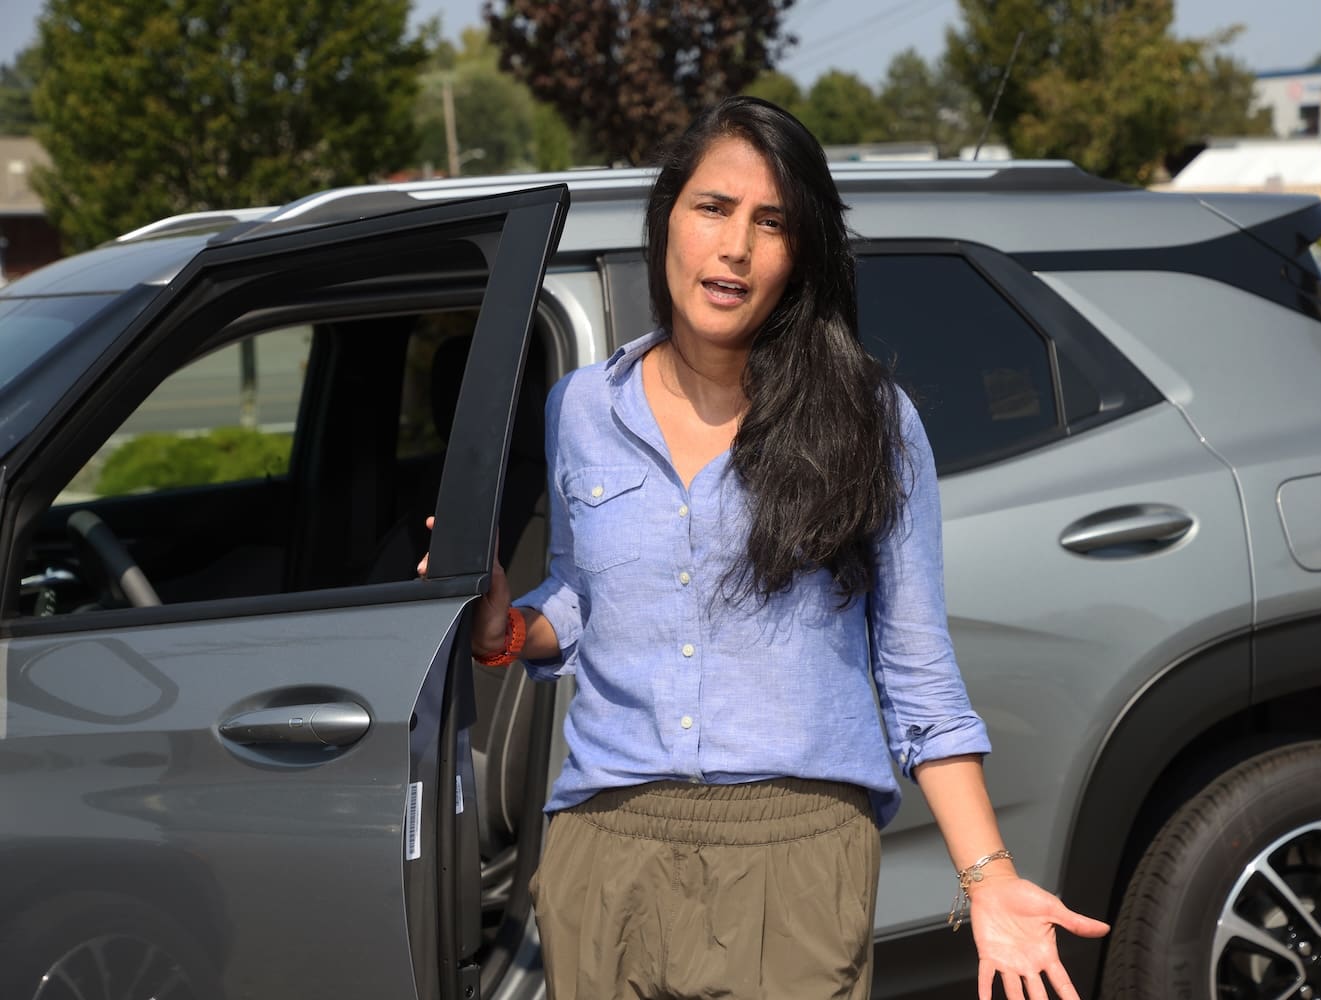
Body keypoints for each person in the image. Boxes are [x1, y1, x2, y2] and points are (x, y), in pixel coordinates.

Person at [422, 96, 1108, 1000]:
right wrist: (507, 630)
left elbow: (918, 675)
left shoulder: (869, 420)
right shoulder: (583, 408)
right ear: (667, 215)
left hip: (794, 854)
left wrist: (988, 877)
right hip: (606, 846)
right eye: (713, 208)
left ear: (802, 256)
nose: (736, 247)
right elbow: (590, 598)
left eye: (772, 222)